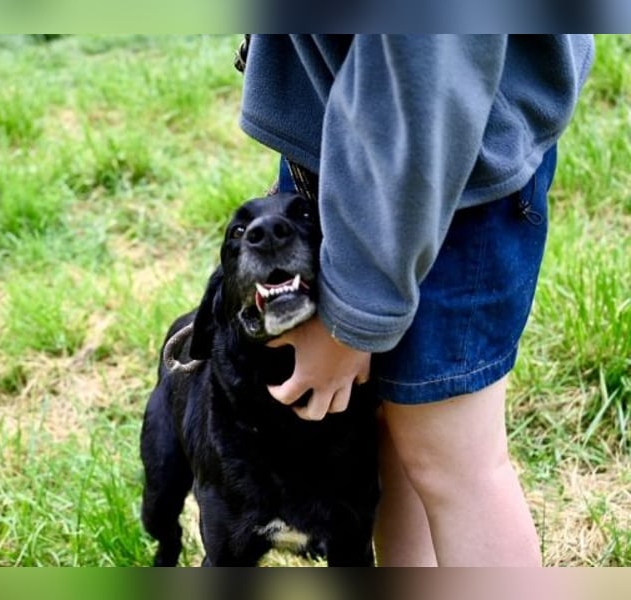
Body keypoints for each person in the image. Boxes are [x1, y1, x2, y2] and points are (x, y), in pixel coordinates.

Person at [237, 35, 594, 566]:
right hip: (356, 146)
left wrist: (351, 319)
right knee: (395, 439)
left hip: (438, 174)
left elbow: (425, 71)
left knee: (454, 463)